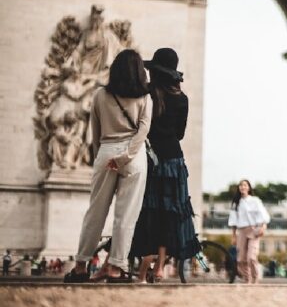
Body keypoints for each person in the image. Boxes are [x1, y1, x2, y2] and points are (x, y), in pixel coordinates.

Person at [64, 49, 152, 283]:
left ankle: (81, 266)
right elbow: (143, 130)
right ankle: (115, 268)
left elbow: (95, 132)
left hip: (106, 152)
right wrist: (126, 156)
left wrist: (101, 159)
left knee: (95, 212)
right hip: (134, 157)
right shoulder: (145, 97)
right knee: (126, 216)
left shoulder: (100, 95)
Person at [130, 48, 200, 283]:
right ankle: (159, 268)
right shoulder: (182, 99)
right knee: (170, 215)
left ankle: (142, 271)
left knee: (149, 213)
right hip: (174, 162)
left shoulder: (147, 94)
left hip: (150, 159)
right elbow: (179, 134)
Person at [228, 179, 270, 284]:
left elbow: (263, 214)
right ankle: (247, 279)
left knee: (251, 257)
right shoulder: (236, 203)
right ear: (239, 188)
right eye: (241, 185)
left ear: (249, 188)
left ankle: (255, 278)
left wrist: (263, 227)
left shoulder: (255, 200)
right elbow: (233, 221)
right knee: (241, 259)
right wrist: (233, 236)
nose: (243, 187)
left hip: (254, 229)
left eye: (245, 185)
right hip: (241, 231)